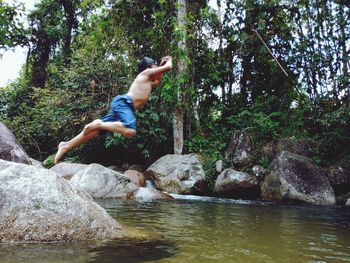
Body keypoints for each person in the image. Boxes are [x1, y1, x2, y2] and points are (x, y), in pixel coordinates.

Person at [54, 55, 173, 164]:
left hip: (124, 106)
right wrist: (168, 60)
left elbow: (158, 80)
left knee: (94, 132)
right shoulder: (145, 73)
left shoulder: (149, 80)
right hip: (124, 104)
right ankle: (99, 123)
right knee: (130, 130)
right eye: (155, 65)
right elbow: (169, 67)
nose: (157, 68)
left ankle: (66, 146)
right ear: (149, 67)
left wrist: (161, 66)